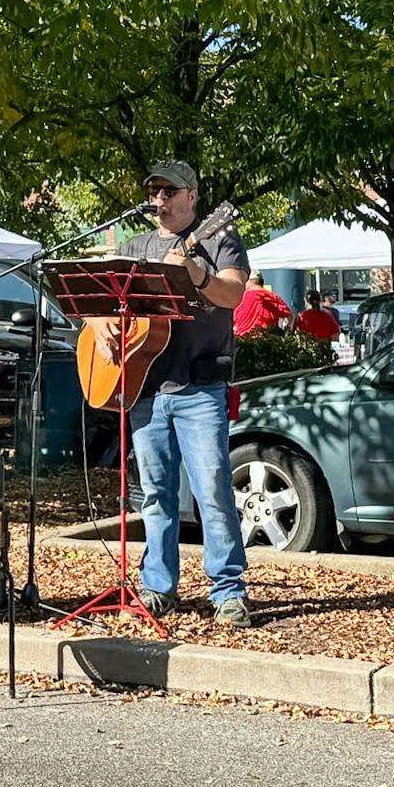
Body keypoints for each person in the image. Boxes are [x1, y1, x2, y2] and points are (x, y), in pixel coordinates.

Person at [88, 160, 253, 627]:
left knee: (213, 491)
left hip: (200, 386)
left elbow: (234, 294)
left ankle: (228, 591)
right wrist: (98, 324)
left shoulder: (219, 239)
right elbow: (94, 298)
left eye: (169, 191)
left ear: (192, 196)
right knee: (155, 495)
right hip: (144, 386)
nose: (159, 199)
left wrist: (197, 275)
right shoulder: (136, 246)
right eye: (154, 191)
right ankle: (159, 587)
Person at [233, 271, 291, 337]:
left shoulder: (241, 298)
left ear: (250, 281)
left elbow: (232, 321)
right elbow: (289, 316)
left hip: (243, 339)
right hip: (265, 339)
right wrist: (284, 332)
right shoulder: (273, 297)